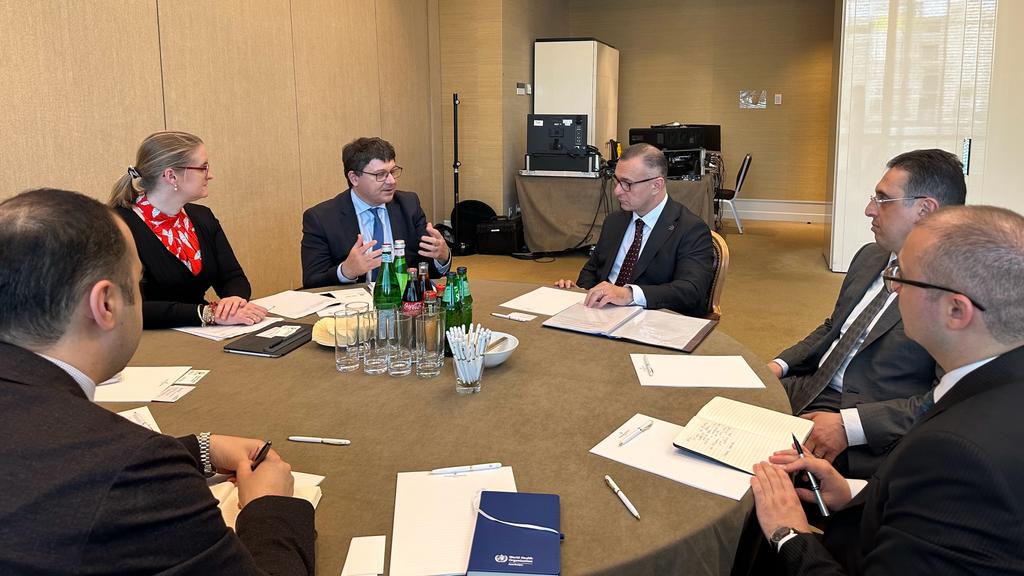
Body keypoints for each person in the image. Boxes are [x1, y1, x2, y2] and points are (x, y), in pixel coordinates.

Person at [0, 189, 314, 574]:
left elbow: (47, 463)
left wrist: (196, 449)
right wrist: (270, 506)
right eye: (138, 281)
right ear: (106, 304)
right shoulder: (134, 470)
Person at [751, 205, 1024, 575]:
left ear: (956, 311)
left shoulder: (959, 455)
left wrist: (788, 534)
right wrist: (853, 492)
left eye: (902, 277)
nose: (892, 287)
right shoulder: (995, 378)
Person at [767, 149, 965, 478]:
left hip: (864, 422)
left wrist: (850, 427)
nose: (869, 209)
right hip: (811, 384)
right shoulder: (871, 256)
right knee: (717, 406)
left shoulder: (957, 292)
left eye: (883, 199)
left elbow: (950, 397)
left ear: (925, 210)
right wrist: (778, 366)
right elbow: (834, 328)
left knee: (761, 470)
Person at [110, 131, 267, 329]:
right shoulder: (117, 227)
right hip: (148, 339)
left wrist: (233, 302)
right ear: (171, 176)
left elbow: (233, 277)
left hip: (203, 332)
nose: (210, 175)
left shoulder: (203, 217)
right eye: (203, 168)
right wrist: (207, 314)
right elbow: (128, 307)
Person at [555, 143, 714, 316]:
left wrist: (629, 294)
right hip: (602, 314)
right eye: (617, 181)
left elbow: (691, 290)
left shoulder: (690, 229)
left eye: (627, 184)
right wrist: (580, 291)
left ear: (656, 185)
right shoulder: (614, 221)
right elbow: (592, 270)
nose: (617, 191)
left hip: (650, 319)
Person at [300, 136, 451, 289]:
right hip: (355, 302)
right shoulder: (321, 218)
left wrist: (443, 256)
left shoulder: (409, 205)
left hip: (402, 300)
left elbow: (426, 268)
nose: (391, 181)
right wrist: (345, 271)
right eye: (380, 174)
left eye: (392, 171)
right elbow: (312, 281)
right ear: (354, 178)